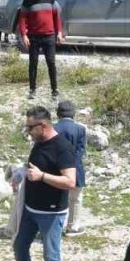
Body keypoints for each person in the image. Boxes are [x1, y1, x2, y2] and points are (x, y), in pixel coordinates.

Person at [13, 106, 77, 261]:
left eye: (30, 127)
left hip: (51, 213)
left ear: (43, 126)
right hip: (30, 209)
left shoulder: (63, 148)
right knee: (19, 246)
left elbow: (70, 181)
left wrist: (42, 177)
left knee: (51, 256)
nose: (28, 131)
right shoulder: (39, 143)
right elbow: (34, 167)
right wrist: (20, 174)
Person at [18, 0, 65, 99]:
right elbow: (22, 19)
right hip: (34, 37)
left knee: (51, 63)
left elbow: (57, 17)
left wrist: (59, 32)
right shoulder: (27, 1)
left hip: (49, 36)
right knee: (33, 63)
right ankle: (32, 89)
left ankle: (54, 90)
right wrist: (24, 35)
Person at [53, 100, 87, 234]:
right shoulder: (80, 129)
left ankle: (55, 227)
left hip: (56, 170)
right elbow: (80, 152)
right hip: (75, 168)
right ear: (73, 114)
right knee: (76, 199)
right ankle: (72, 227)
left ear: (58, 113)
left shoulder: (53, 128)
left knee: (56, 200)